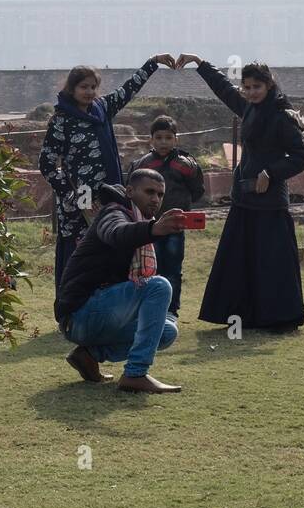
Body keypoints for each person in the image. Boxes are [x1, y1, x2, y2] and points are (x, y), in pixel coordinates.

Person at [176, 54, 304, 332]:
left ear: (269, 85)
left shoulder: (281, 116)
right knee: (241, 259)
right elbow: (224, 88)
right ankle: (243, 316)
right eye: (247, 87)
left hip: (271, 201)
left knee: (271, 261)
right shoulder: (248, 107)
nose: (250, 92)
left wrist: (270, 173)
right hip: (244, 198)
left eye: (256, 87)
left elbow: (301, 155)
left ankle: (278, 318)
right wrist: (200, 64)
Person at [38, 54, 176, 290]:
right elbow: (47, 163)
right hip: (79, 202)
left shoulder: (103, 108)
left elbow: (129, 88)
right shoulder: (61, 120)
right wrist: (76, 197)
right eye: (83, 87)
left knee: (113, 244)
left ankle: (114, 303)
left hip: (110, 196)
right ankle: (73, 309)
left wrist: (153, 62)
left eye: (93, 87)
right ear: (72, 89)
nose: (89, 92)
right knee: (79, 252)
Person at [54, 169, 186, 393]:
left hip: (99, 315)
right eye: (149, 192)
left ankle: (89, 355)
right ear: (130, 191)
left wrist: (152, 228)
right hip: (79, 315)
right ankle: (135, 374)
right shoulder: (114, 212)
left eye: (160, 194)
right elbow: (117, 233)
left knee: (167, 332)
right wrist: (154, 229)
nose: (155, 199)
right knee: (159, 285)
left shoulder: (142, 222)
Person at [127, 114, 205, 318]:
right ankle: (149, 309)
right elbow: (132, 192)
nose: (163, 142)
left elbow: (197, 190)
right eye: (159, 137)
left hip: (175, 226)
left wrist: (180, 207)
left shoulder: (186, 165)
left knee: (172, 268)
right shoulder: (142, 164)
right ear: (151, 139)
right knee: (149, 268)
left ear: (176, 139)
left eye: (168, 138)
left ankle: (171, 311)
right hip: (148, 227)